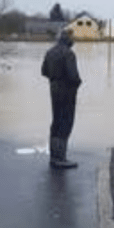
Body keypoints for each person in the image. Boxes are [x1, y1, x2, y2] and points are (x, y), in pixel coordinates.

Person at [41, 28, 82, 169]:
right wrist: (77, 84)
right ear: (68, 40)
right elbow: (73, 76)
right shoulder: (69, 54)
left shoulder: (50, 52)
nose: (73, 41)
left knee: (56, 122)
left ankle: (54, 157)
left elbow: (44, 71)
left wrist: (54, 79)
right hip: (67, 91)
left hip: (54, 89)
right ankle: (60, 158)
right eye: (72, 38)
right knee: (65, 123)